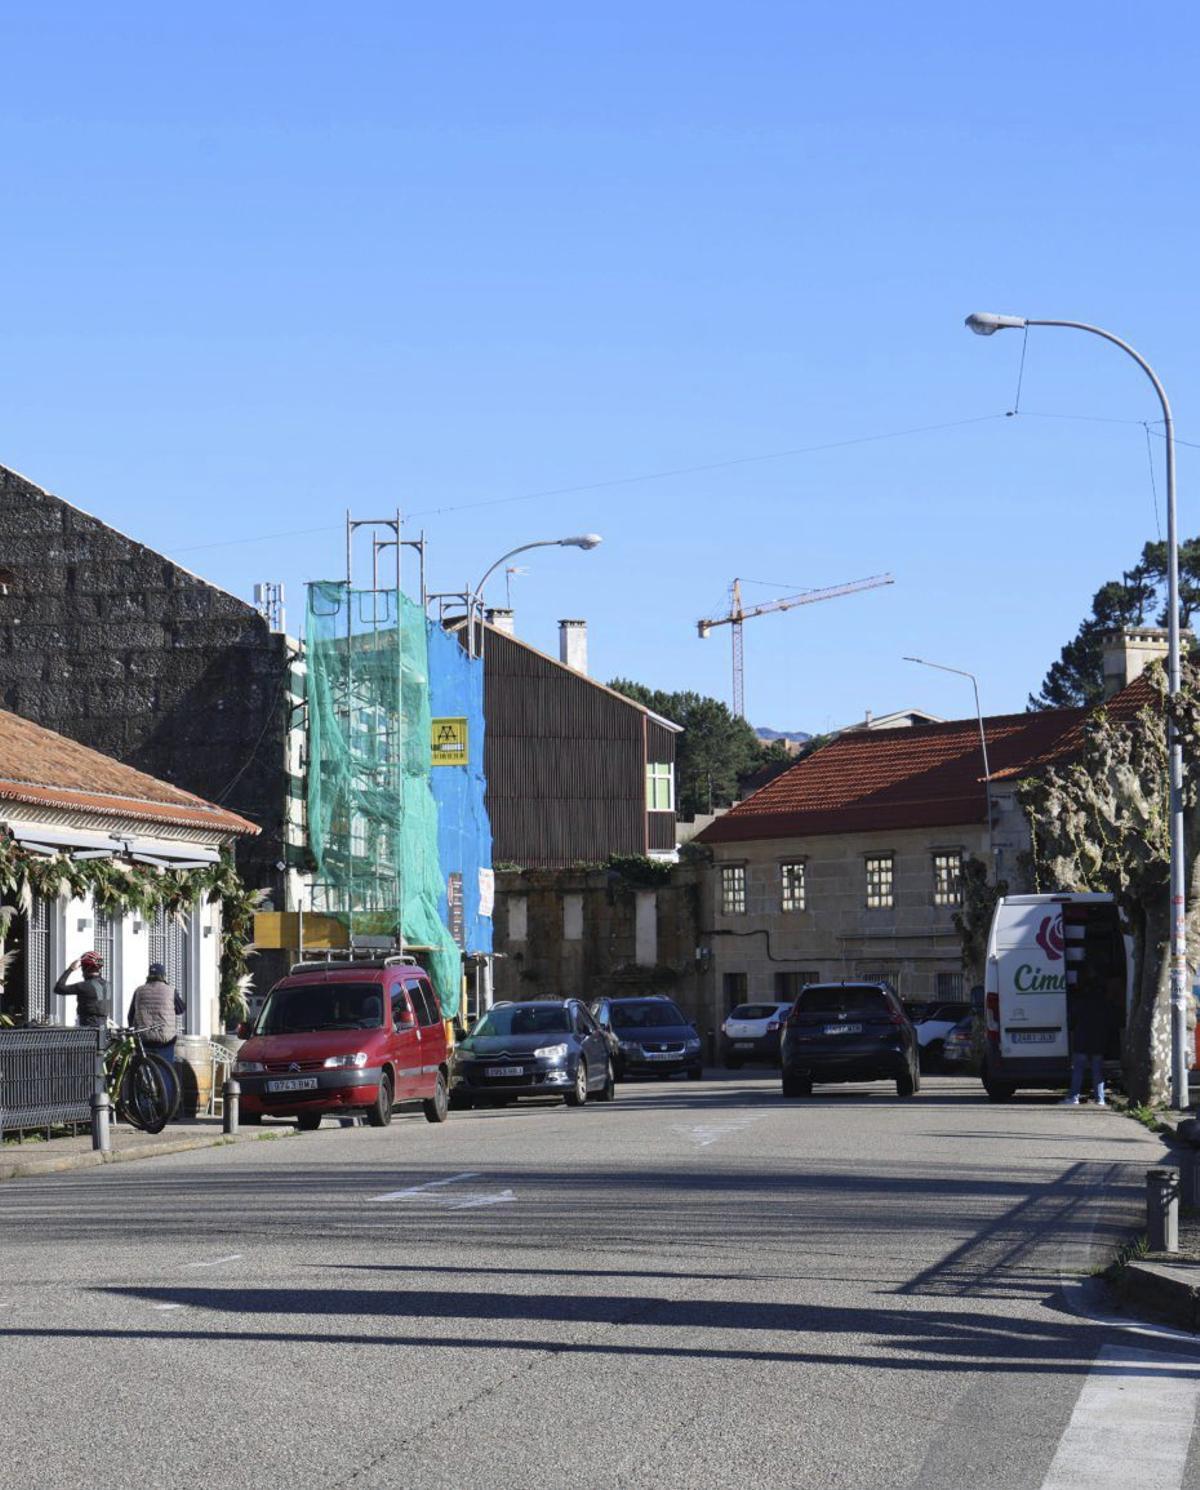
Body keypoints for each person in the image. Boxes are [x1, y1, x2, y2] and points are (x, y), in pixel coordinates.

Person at [127, 962, 184, 1063]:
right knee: (165, 1067)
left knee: (144, 1066)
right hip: (165, 1040)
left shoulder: (139, 991)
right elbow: (181, 1009)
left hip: (144, 1039)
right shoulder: (170, 990)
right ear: (163, 976)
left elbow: (130, 1015)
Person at [1062, 985, 1109, 1107]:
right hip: (1097, 1042)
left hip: (1081, 1041)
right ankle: (1100, 1099)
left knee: (1078, 1071)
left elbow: (1071, 1022)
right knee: (1097, 1072)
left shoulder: (1079, 1004)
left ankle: (1074, 1097)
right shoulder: (1103, 1005)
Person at [54, 951, 109, 1029]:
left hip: (87, 1030)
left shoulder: (85, 986)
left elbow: (58, 988)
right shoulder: (107, 985)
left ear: (86, 968)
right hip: (103, 1028)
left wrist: (70, 969)